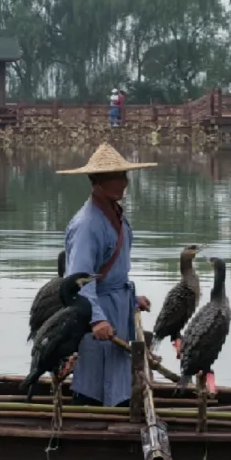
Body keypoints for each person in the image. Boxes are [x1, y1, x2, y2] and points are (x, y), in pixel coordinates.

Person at [56, 143, 157, 408]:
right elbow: (79, 281)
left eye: (124, 176)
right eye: (118, 176)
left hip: (117, 307)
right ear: (98, 182)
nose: (124, 182)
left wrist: (132, 298)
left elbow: (114, 271)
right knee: (94, 378)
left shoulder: (115, 214)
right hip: (97, 315)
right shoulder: (88, 224)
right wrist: (97, 320)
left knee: (117, 377)